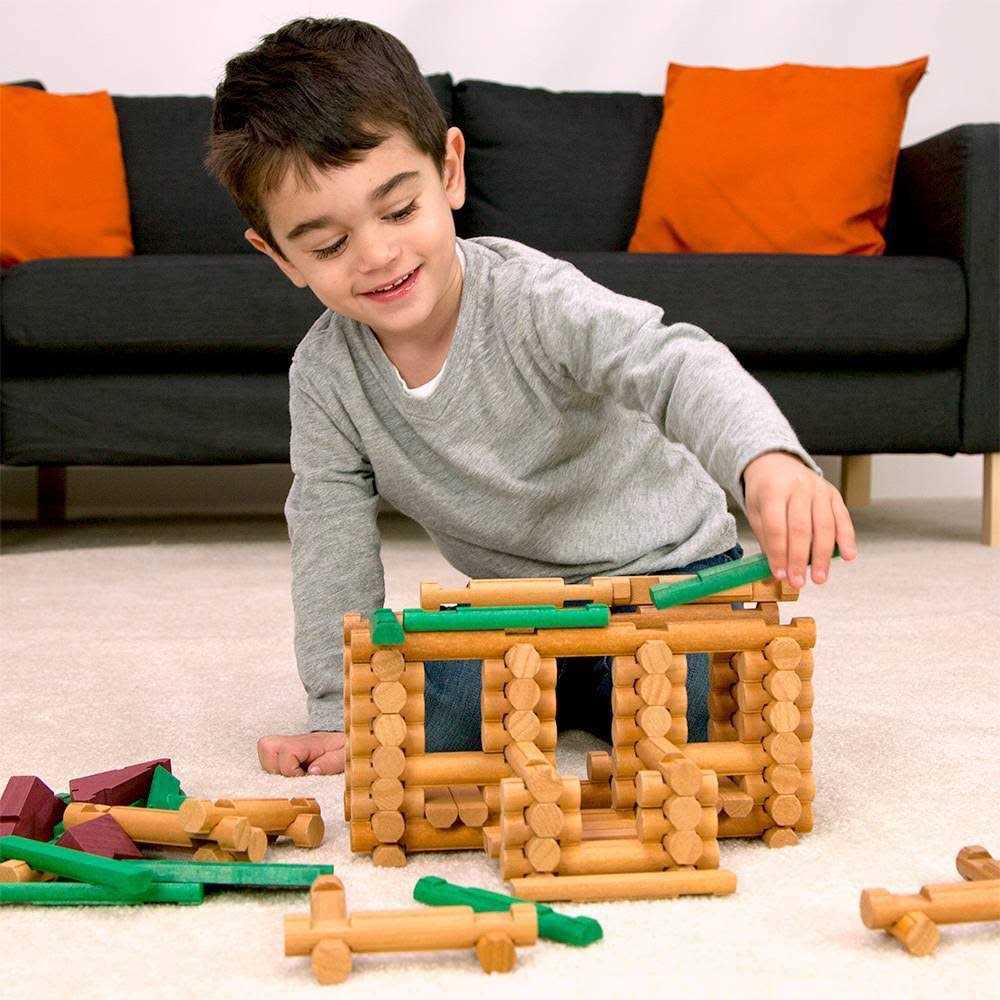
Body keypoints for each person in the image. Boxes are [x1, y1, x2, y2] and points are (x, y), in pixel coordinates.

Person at [204, 17, 858, 778]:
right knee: (407, 720)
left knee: (696, 715)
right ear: (280, 256)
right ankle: (552, 696)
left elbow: (671, 363)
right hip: (517, 611)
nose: (378, 255)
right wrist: (337, 708)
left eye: (399, 210)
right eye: (328, 245)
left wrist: (766, 460)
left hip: (667, 581)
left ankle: (607, 692)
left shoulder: (536, 301)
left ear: (449, 171)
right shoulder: (325, 377)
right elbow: (329, 538)